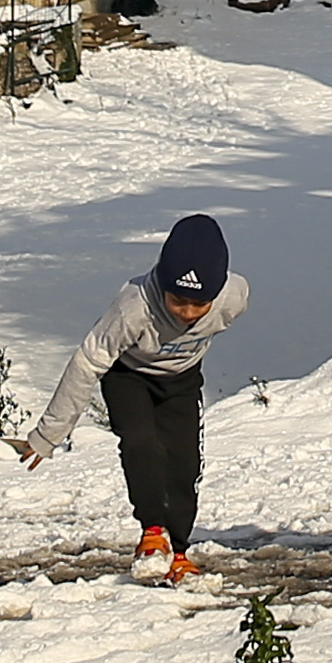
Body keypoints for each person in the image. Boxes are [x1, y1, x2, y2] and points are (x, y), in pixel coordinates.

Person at [22, 213, 247, 582]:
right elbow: (87, 363)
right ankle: (152, 532)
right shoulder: (134, 307)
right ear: (161, 284)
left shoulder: (234, 297)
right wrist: (49, 434)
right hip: (128, 377)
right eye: (178, 302)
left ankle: (178, 551)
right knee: (142, 443)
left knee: (184, 465)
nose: (188, 314)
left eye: (199, 304)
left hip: (182, 381)